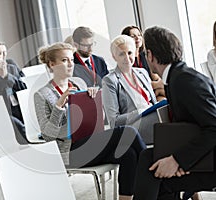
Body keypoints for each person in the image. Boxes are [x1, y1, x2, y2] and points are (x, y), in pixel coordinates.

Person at [34, 42, 146, 200]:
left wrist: (93, 100)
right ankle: (156, 181)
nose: (70, 64)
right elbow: (48, 135)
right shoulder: (42, 94)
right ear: (52, 64)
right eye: (64, 60)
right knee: (128, 131)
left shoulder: (79, 84)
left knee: (129, 154)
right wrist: (60, 103)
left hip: (90, 140)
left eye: (71, 60)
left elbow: (95, 118)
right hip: (70, 152)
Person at [133, 26, 216, 200]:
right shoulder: (177, 76)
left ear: (150, 55)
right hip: (204, 151)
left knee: (151, 167)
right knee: (151, 162)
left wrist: (177, 160)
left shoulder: (185, 81)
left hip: (211, 159)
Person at [102, 35, 158, 144]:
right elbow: (114, 122)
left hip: (154, 121)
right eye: (122, 54)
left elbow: (153, 102)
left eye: (130, 53)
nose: (127, 58)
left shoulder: (142, 73)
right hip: (134, 129)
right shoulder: (110, 80)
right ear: (114, 57)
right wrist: (140, 112)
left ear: (135, 53)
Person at [121, 25, 166, 101]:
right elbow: (136, 85)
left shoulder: (145, 55)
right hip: (139, 94)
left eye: (139, 35)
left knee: (165, 94)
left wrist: (157, 84)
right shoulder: (126, 59)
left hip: (152, 90)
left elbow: (156, 77)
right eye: (133, 36)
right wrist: (157, 85)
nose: (137, 38)